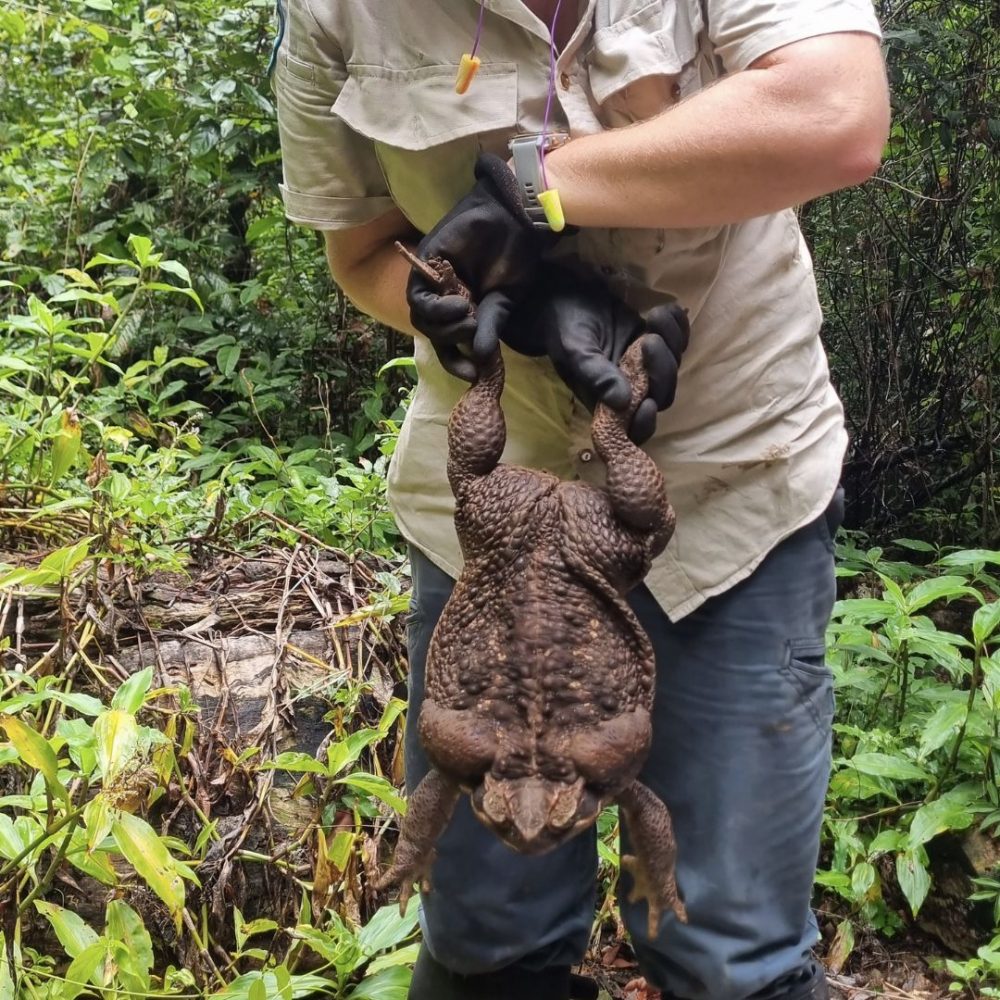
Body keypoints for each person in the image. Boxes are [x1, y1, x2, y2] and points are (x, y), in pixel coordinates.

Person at [272, 1, 889, 997]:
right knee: (484, 944)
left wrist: (532, 188)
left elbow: (836, 112)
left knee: (730, 947)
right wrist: (452, 304)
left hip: (728, 473)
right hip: (490, 505)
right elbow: (361, 256)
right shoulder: (336, 12)